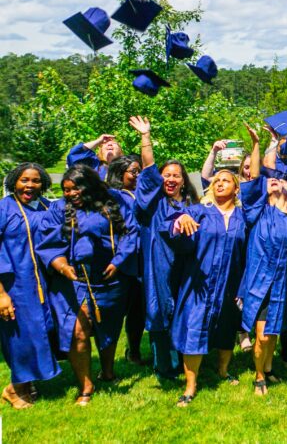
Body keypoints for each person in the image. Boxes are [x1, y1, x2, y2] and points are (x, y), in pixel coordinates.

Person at [163, 135, 260, 406]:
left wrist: (257, 146)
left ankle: (222, 369)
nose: (219, 183)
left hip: (230, 283)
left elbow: (257, 182)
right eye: (216, 181)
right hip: (199, 283)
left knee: (226, 328)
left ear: (236, 188)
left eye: (226, 180)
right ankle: (190, 386)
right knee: (194, 329)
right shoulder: (199, 211)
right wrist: (179, 220)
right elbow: (172, 228)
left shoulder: (243, 217)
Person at [38, 165, 139, 405]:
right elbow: (48, 244)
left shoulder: (112, 202)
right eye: (65, 190)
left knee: (109, 328)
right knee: (78, 332)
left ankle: (107, 371)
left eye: (75, 189)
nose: (70, 194)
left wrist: (118, 260)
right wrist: (62, 266)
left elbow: (130, 233)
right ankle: (86, 385)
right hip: (74, 279)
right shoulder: (58, 210)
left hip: (109, 276)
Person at [238, 169, 287, 397]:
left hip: (285, 283)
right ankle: (259, 376)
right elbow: (253, 181)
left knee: (273, 333)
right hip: (262, 281)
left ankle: (269, 367)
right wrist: (256, 144)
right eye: (270, 181)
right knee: (263, 335)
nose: (274, 181)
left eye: (280, 180)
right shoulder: (260, 212)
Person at [131, 116, 198, 379]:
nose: (170, 179)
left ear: (183, 181)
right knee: (159, 311)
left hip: (186, 268)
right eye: (166, 175)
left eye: (175, 176)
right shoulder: (153, 203)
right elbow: (147, 171)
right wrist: (145, 137)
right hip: (158, 265)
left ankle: (187, 360)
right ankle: (164, 367)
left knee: (185, 310)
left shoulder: (193, 207)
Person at [0, 163, 61, 409]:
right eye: (24, 180)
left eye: (35, 181)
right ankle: (14, 389)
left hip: (47, 283)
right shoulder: (4, 208)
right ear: (14, 181)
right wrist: (1, 294)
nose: (30, 186)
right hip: (16, 284)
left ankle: (28, 381)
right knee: (21, 336)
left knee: (42, 331)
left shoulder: (48, 206)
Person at [106, 155, 146, 365]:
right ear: (120, 173)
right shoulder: (113, 196)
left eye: (140, 170)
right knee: (116, 311)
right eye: (133, 171)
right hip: (121, 260)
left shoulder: (140, 193)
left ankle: (134, 350)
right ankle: (108, 362)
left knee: (138, 310)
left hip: (142, 260)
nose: (138, 175)